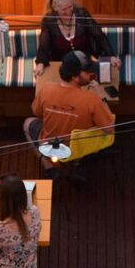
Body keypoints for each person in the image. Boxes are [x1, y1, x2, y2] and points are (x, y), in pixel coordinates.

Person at [26, 52, 115, 181]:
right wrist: (102, 97)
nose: (91, 74)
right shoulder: (92, 99)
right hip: (78, 149)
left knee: (27, 123)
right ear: (74, 77)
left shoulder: (46, 90)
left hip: (49, 147)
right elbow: (109, 128)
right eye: (87, 72)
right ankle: (77, 163)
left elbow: (37, 113)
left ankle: (49, 167)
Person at [34, 0, 112, 88]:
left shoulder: (82, 14)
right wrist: (40, 63)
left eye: (70, 7)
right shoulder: (49, 21)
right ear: (55, 9)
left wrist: (110, 55)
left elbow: (99, 36)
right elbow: (44, 44)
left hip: (84, 65)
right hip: (61, 68)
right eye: (64, 10)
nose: (68, 12)